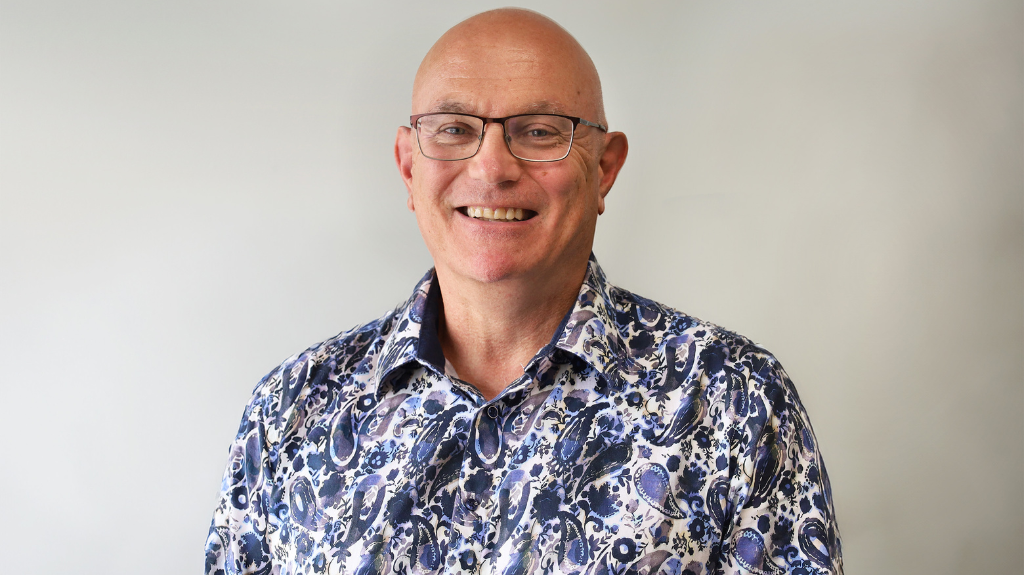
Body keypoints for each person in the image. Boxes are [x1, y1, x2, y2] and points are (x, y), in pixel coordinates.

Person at [205, 8, 842, 574]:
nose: (491, 168)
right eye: (454, 129)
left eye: (540, 131)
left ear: (606, 169)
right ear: (408, 165)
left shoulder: (736, 402)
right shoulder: (290, 411)